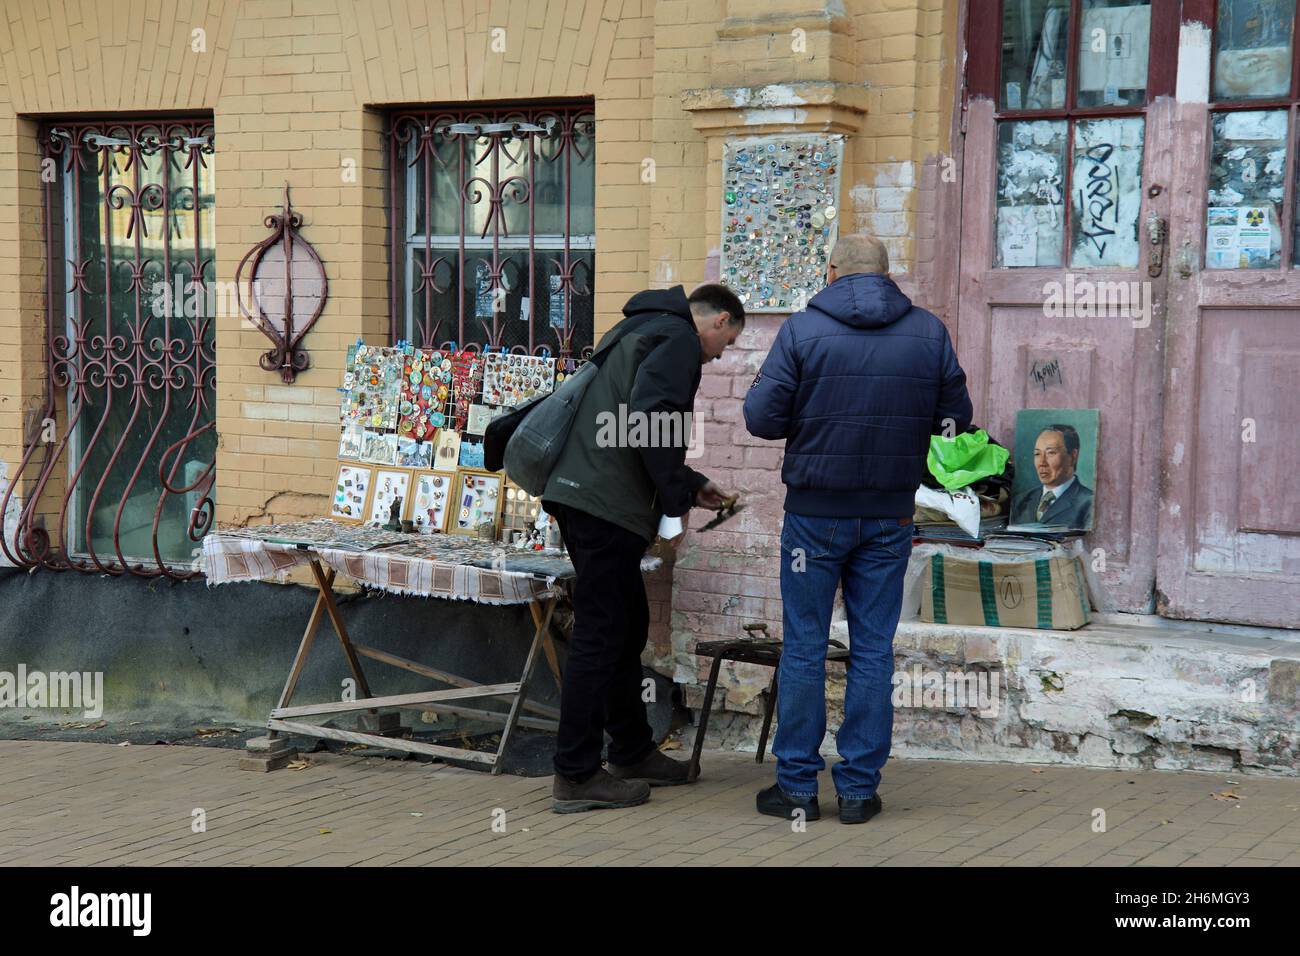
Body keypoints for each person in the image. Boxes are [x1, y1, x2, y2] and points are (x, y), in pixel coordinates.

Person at [743, 234, 972, 824]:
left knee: (805, 645)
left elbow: (761, 418)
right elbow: (956, 419)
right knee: (873, 648)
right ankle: (858, 790)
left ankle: (795, 786)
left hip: (815, 514)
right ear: (888, 276)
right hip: (891, 514)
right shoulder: (927, 332)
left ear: (832, 271)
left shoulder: (801, 330)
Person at [542, 282, 744, 813]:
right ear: (719, 320)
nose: (720, 354)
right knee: (601, 634)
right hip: (604, 503)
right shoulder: (678, 337)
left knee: (625, 624)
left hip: (583, 493)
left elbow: (638, 420)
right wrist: (675, 497)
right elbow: (653, 417)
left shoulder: (639, 327)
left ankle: (631, 751)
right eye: (725, 343)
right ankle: (576, 775)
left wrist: (688, 482)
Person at [1009, 424, 1093, 529]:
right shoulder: (1020, 501)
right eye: (1037, 454)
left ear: (1073, 456)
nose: (1042, 463)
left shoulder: (1088, 503)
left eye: (1051, 453)